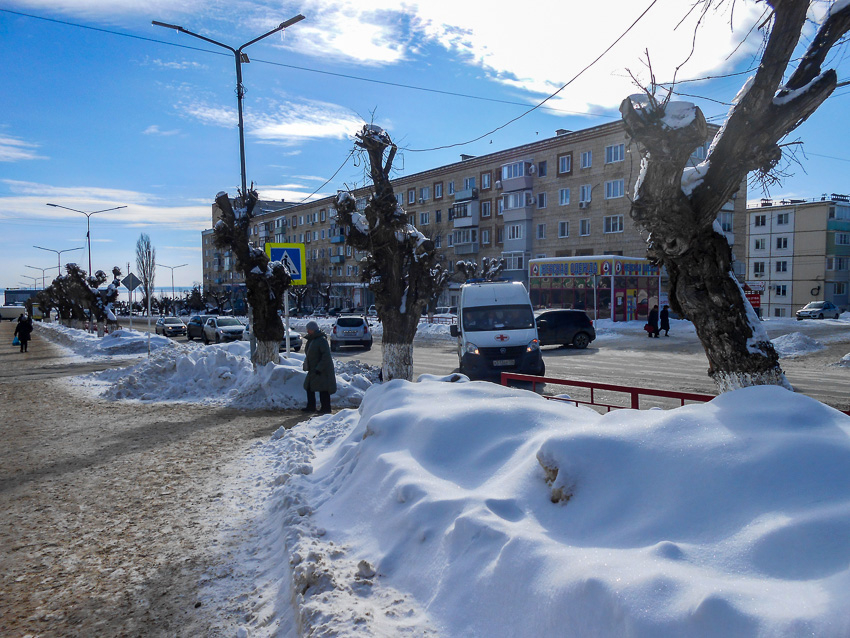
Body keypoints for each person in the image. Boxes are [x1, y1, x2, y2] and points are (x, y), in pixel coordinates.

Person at [302, 320, 336, 414]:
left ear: (313, 330)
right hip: (313, 369)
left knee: (323, 389)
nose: (307, 331)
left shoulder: (321, 340)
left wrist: (319, 368)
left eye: (309, 329)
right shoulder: (312, 339)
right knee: (308, 387)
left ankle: (326, 408)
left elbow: (326, 356)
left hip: (321, 370)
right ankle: (311, 406)